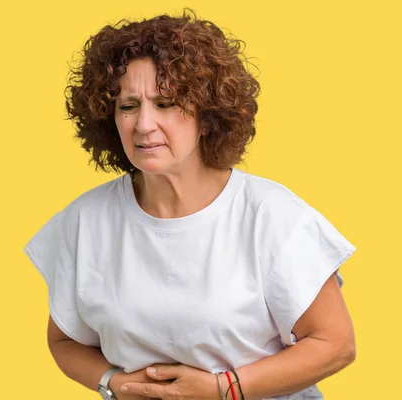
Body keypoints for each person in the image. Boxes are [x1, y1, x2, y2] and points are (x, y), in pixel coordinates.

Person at [23, 9, 356, 400]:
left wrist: (224, 389)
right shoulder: (85, 220)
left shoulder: (271, 215)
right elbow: (64, 342)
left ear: (208, 114)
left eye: (165, 104)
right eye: (128, 106)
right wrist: (115, 384)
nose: (144, 125)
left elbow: (335, 344)